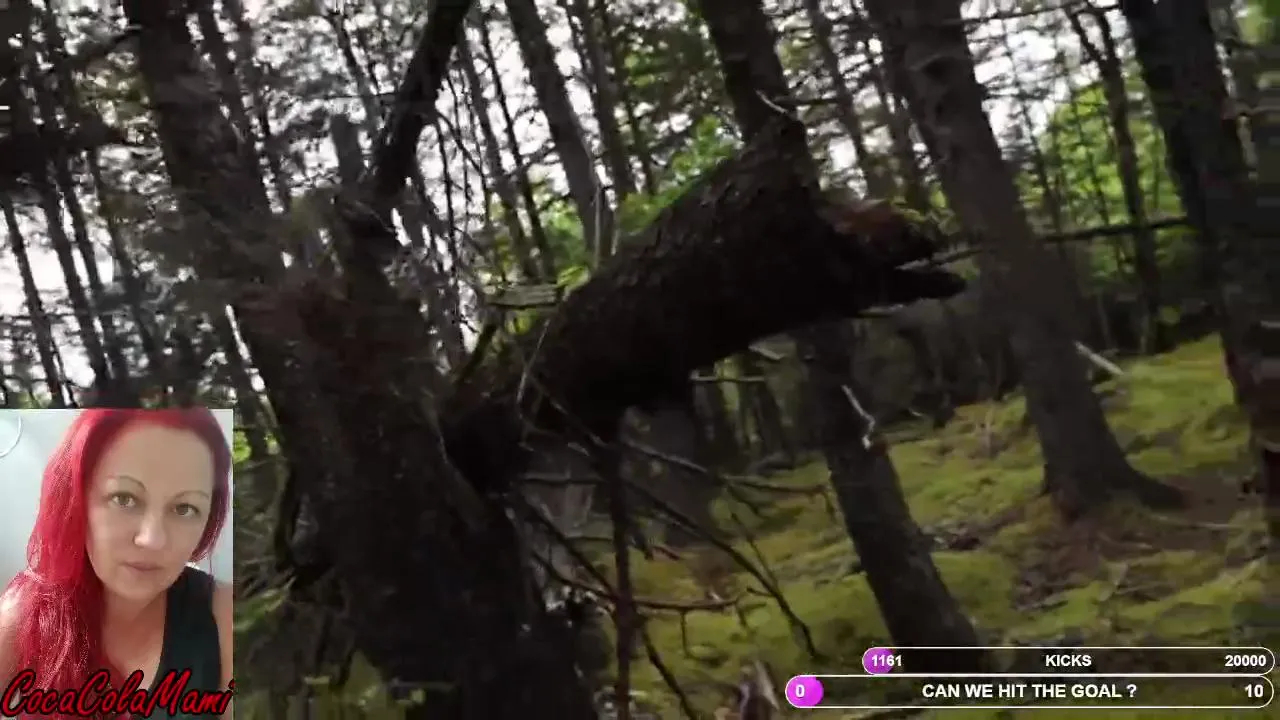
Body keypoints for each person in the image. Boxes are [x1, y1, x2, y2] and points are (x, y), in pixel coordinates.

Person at [0, 409, 233, 717]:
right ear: (75, 501)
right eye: (124, 499)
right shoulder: (24, 615)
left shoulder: (223, 616)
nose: (152, 539)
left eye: (185, 508)